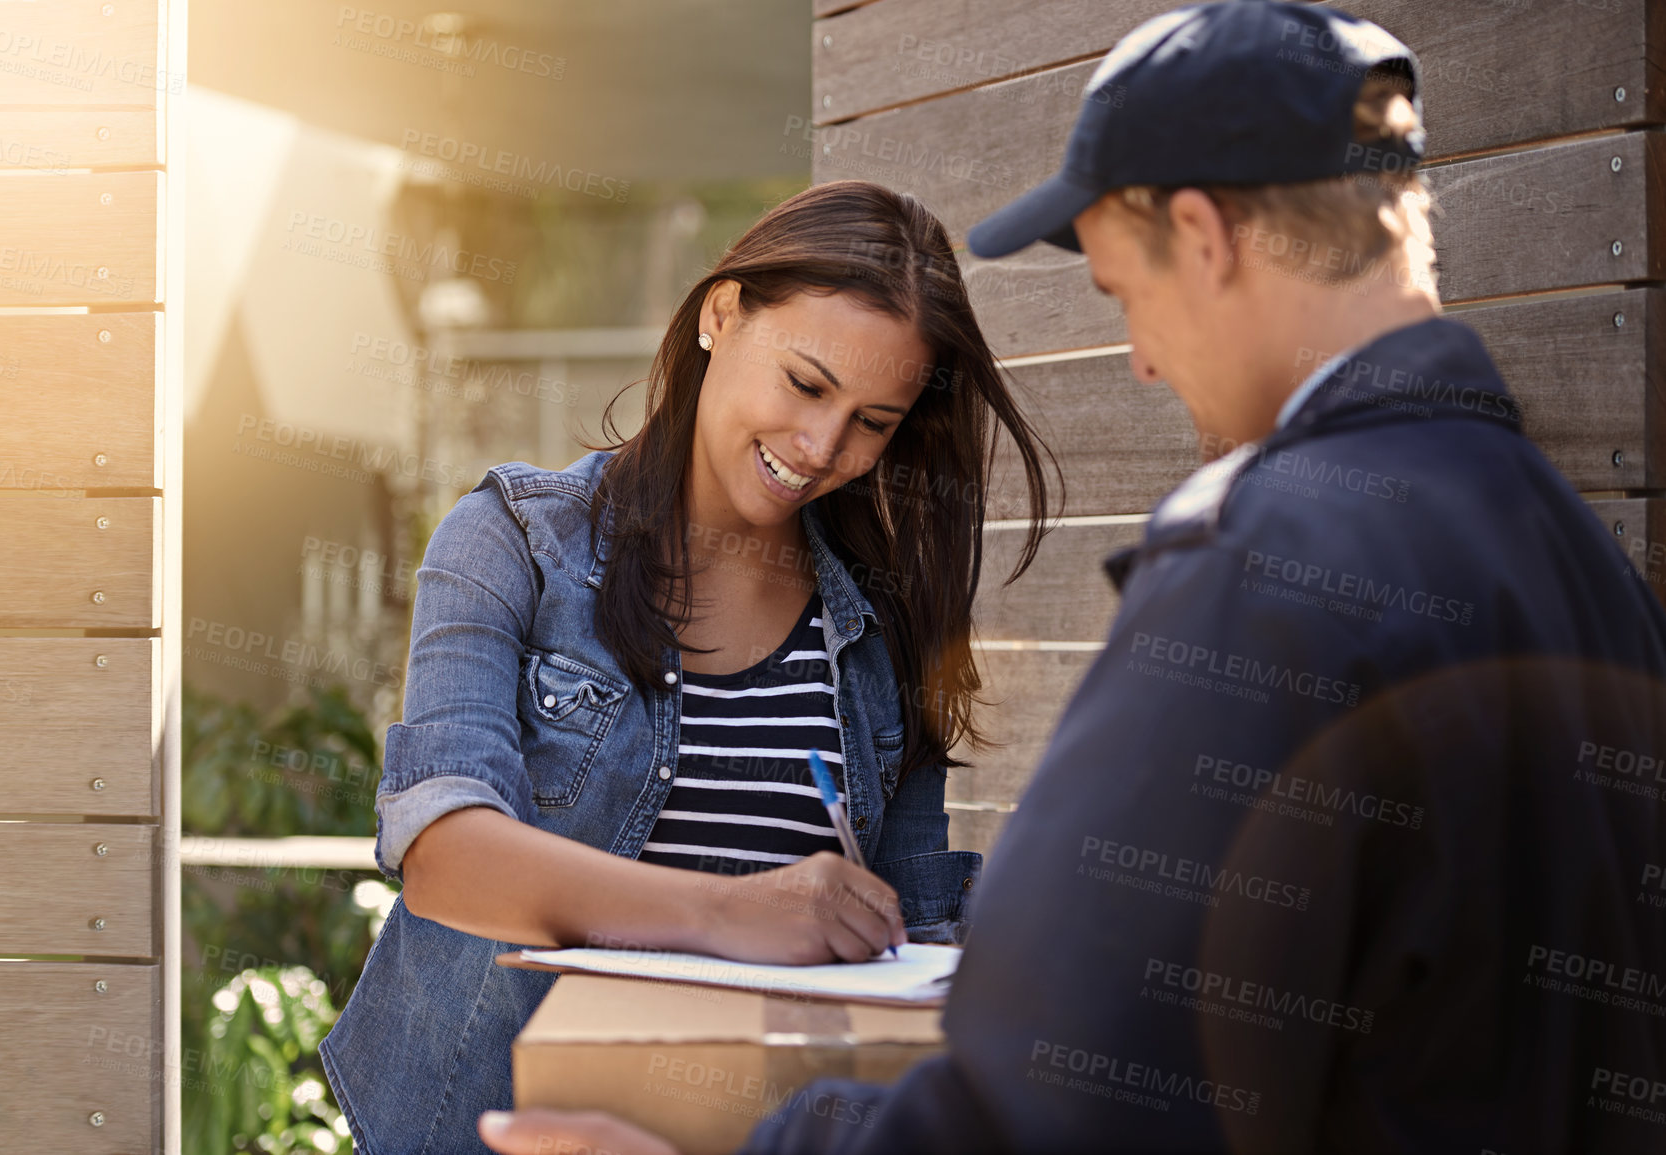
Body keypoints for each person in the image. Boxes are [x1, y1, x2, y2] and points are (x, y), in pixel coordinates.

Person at [475, 3, 1666, 1153]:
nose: (1143, 361)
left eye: (1125, 296)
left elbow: (1062, 1095)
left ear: (1202, 235)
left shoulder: (1266, 565)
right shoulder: (1584, 567)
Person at [317, 178, 1059, 1153]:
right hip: (484, 1125)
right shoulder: (513, 541)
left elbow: (912, 947)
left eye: (874, 423)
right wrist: (734, 913)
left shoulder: (881, 628)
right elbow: (446, 857)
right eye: (806, 384)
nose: (821, 446)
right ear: (722, 315)